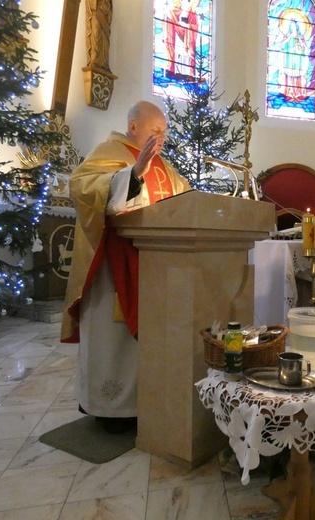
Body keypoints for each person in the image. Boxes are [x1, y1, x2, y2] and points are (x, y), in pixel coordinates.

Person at [61, 100, 191, 432]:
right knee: (112, 338)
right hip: (112, 268)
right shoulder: (111, 151)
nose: (161, 137)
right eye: (155, 130)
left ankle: (142, 404)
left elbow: (187, 200)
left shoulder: (164, 165)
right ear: (134, 127)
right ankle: (108, 408)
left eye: (164, 131)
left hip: (154, 266)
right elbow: (81, 185)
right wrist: (132, 175)